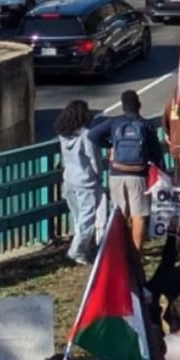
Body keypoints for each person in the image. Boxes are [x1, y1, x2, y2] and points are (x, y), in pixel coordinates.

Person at [87, 90, 164, 251]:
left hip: (116, 173)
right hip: (139, 175)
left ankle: (120, 250)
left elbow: (92, 135)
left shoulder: (115, 123)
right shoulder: (146, 124)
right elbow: (156, 153)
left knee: (120, 215)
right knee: (139, 215)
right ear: (139, 105)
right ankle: (135, 253)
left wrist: (110, 145)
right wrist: (162, 172)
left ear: (123, 106)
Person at [55, 99, 103, 265]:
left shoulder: (63, 135)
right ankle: (76, 252)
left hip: (69, 179)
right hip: (86, 181)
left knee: (78, 217)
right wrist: (99, 177)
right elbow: (94, 159)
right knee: (87, 218)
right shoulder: (87, 135)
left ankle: (82, 248)